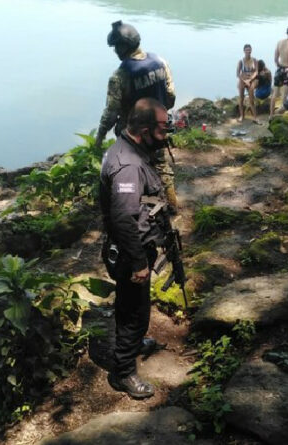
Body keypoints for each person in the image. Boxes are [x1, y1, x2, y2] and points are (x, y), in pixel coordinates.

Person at [100, 97, 172, 399]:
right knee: (135, 313)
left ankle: (132, 343)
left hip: (135, 248)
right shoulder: (127, 165)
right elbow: (123, 218)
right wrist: (140, 263)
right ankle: (123, 372)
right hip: (131, 253)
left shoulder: (131, 149)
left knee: (131, 307)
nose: (166, 134)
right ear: (143, 129)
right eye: (162, 128)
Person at [95, 20, 178, 209]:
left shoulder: (120, 76)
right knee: (162, 168)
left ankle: (139, 212)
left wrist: (100, 136)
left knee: (131, 171)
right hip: (158, 129)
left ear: (125, 46)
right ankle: (172, 207)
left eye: (117, 46)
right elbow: (171, 97)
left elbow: (111, 112)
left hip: (132, 136)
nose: (116, 50)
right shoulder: (160, 62)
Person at [270, 25, 288, 118]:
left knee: (275, 93)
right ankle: (281, 116)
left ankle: (271, 115)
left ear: (286, 33)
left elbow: (275, 58)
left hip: (280, 68)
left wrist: (279, 66)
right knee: (285, 94)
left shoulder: (280, 43)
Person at [237, 44, 259, 123]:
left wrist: (250, 79)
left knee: (251, 99)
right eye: (246, 50)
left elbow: (256, 72)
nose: (248, 51)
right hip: (243, 80)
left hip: (251, 81)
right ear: (244, 51)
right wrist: (244, 80)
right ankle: (241, 116)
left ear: (251, 50)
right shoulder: (241, 61)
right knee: (241, 99)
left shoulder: (254, 60)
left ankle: (255, 117)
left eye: (249, 50)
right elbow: (238, 73)